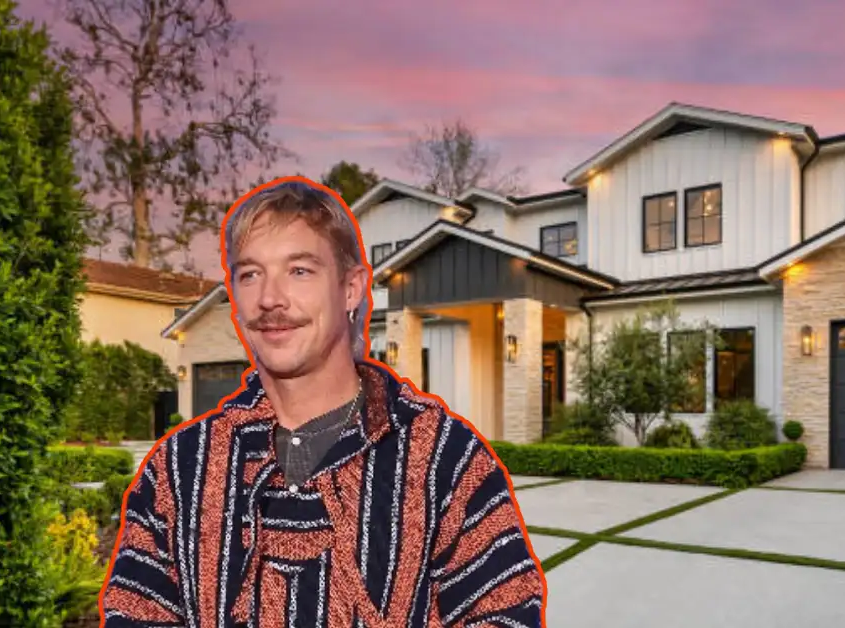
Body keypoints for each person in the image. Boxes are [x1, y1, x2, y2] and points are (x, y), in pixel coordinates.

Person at [99, 177, 546, 627]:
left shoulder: (444, 461)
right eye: (250, 274)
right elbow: (135, 614)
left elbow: (505, 612)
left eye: (300, 270)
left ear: (351, 289)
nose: (270, 299)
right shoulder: (180, 471)